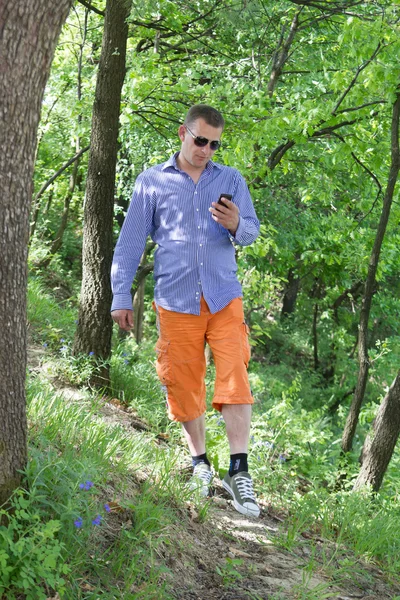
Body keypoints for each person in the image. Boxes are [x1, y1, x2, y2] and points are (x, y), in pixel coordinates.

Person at [111, 104, 260, 517]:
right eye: (200, 141)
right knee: (182, 383)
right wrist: (120, 295)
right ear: (183, 133)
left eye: (214, 144)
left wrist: (235, 225)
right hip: (175, 301)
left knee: (235, 374)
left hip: (223, 296)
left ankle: (239, 470)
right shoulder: (152, 182)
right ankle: (200, 464)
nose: (206, 150)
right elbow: (130, 241)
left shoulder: (230, 179)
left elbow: (250, 230)